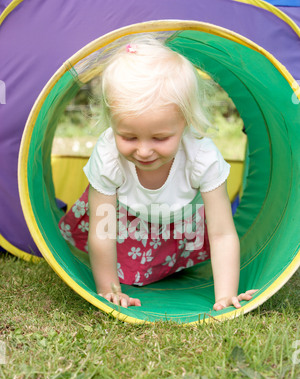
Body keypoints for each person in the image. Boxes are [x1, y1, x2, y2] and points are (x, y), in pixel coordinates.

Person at [59, 35, 257, 310]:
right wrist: (108, 290)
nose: (143, 151)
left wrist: (225, 296)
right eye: (128, 136)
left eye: (159, 138)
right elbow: (103, 231)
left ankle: (166, 265)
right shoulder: (108, 155)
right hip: (122, 225)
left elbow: (222, 232)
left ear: (185, 121)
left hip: (179, 228)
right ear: (112, 122)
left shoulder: (201, 156)